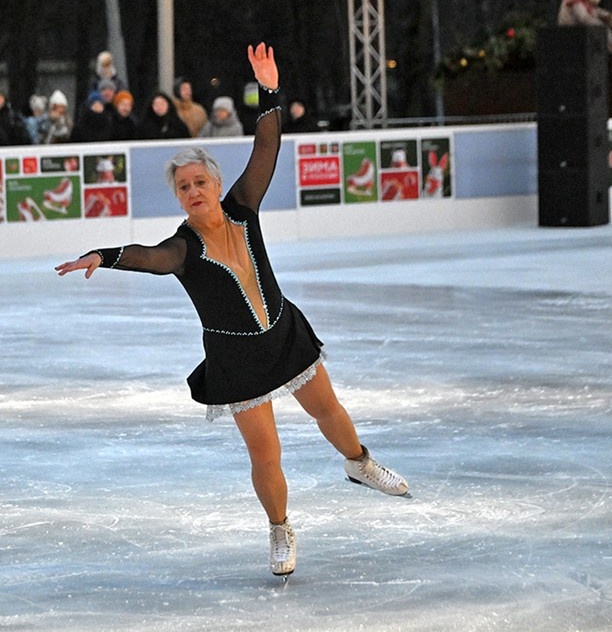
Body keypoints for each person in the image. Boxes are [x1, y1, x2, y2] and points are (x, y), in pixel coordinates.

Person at [55, 44, 409, 579]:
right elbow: (152, 259)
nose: (194, 191)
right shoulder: (183, 247)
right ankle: (280, 528)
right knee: (266, 455)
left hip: (283, 331)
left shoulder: (243, 207)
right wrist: (104, 257)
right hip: (236, 356)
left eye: (200, 182)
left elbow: (266, 146)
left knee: (329, 412)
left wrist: (269, 91)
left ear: (217, 186)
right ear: (178, 198)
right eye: (184, 187)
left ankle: (359, 463)